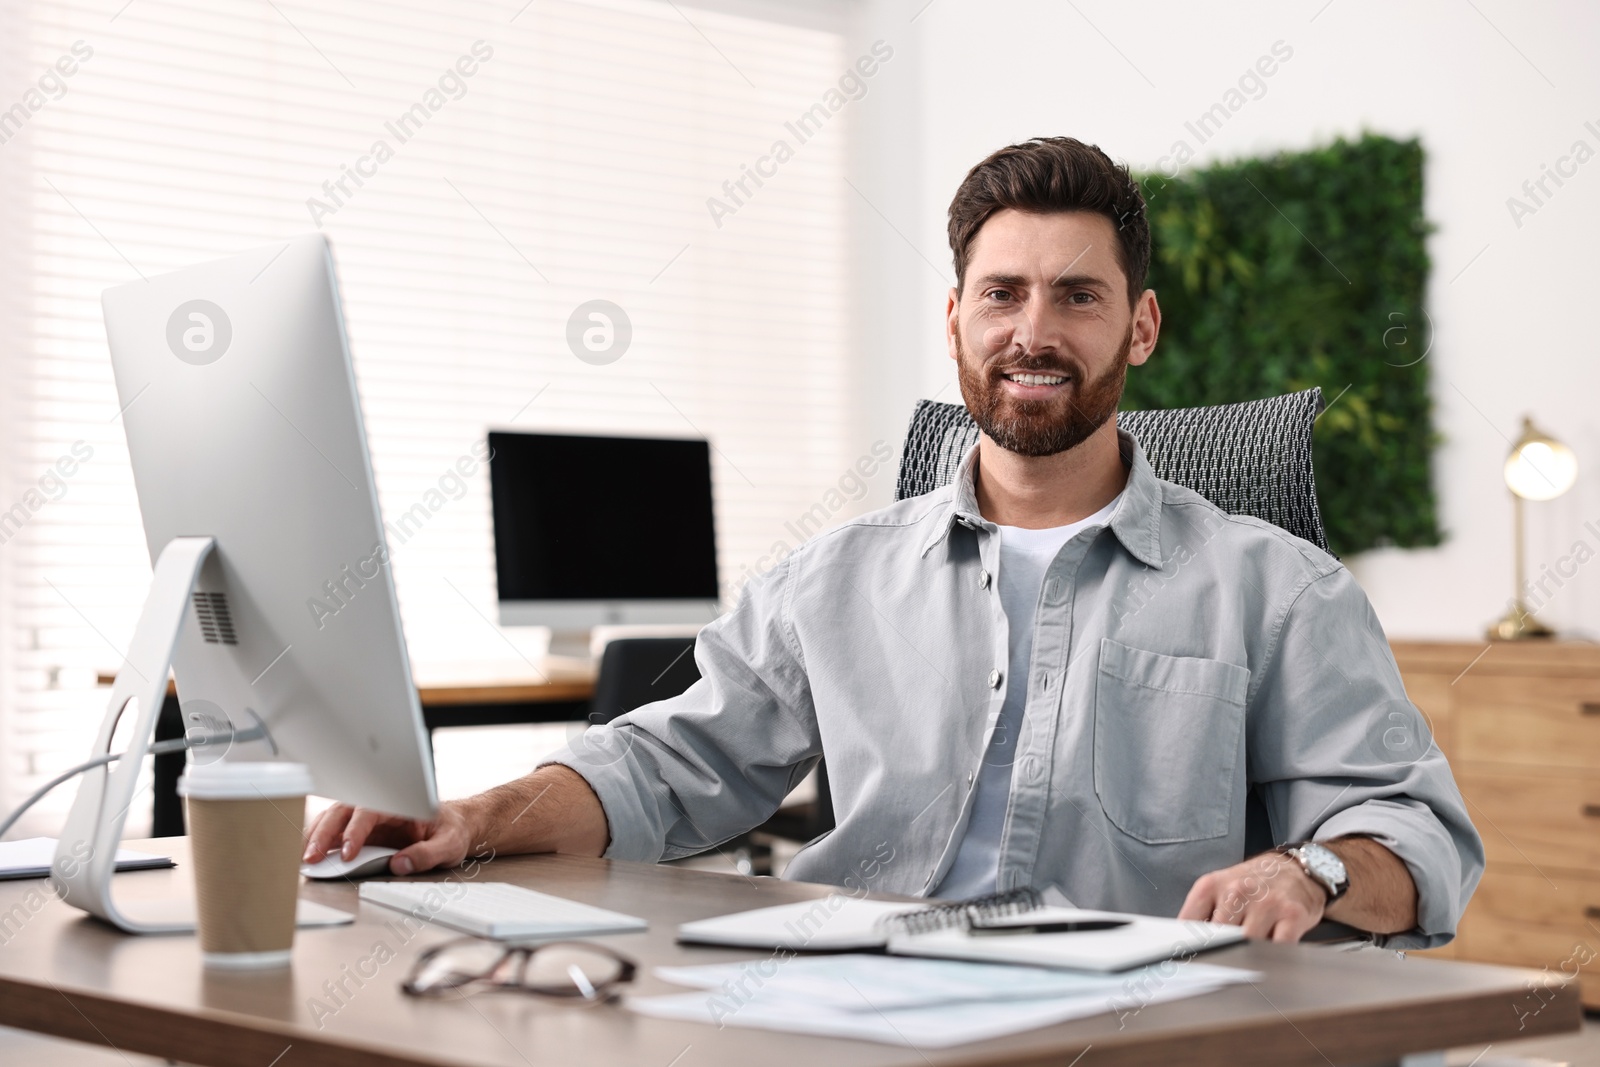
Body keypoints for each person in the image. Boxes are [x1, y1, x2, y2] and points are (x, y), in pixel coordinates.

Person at [306, 136, 1483, 946]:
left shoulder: (1273, 588)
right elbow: (662, 766)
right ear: (956, 317)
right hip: (855, 1002)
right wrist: (470, 820)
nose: (1035, 330)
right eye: (1002, 292)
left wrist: (1309, 869)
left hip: (1136, 1029)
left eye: (1078, 296)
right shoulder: (836, 577)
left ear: (1142, 328)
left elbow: (1415, 836)